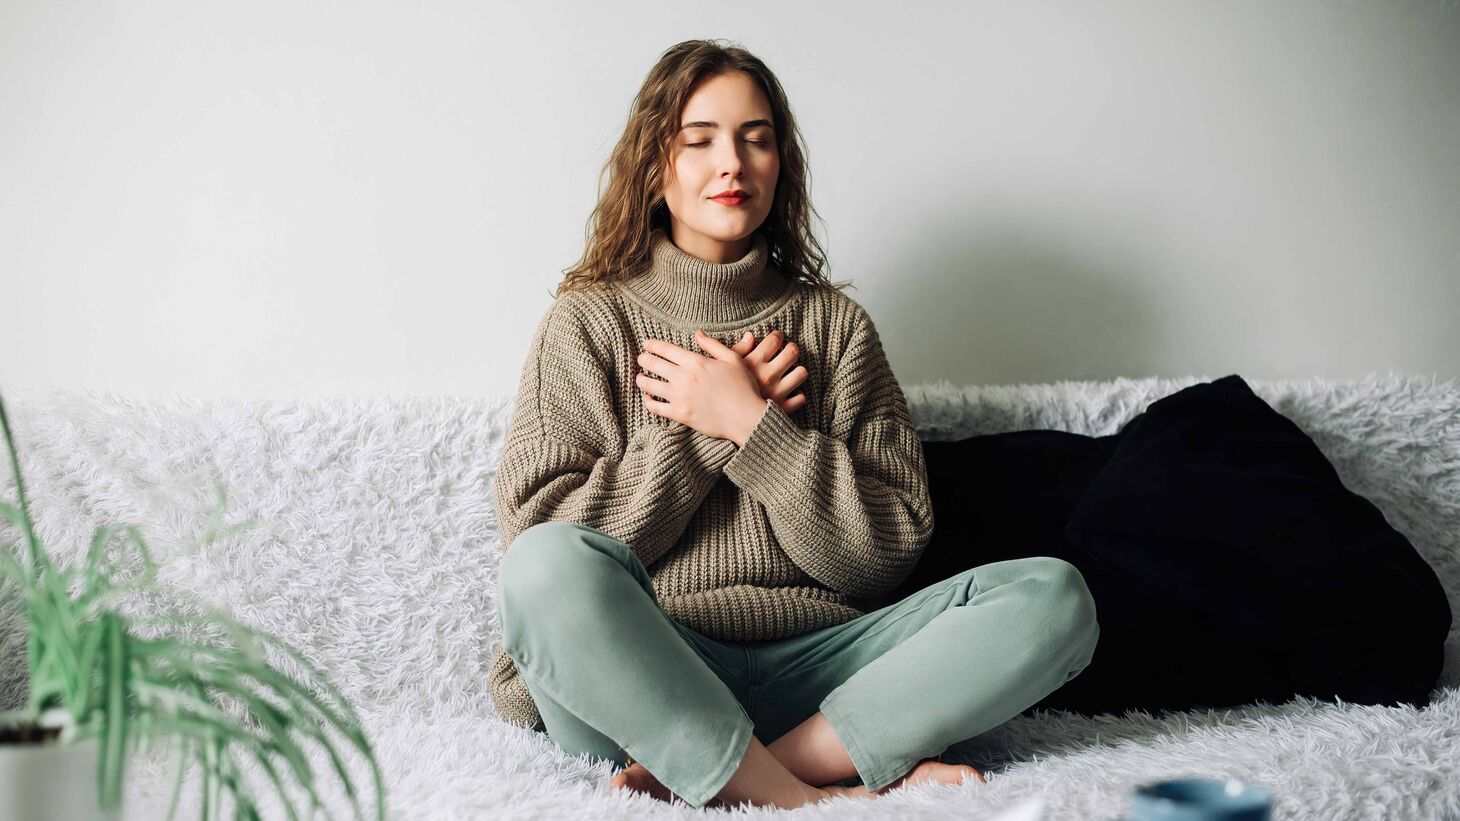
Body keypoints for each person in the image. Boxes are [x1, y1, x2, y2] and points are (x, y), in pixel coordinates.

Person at [488, 38, 1100, 810]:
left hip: (830, 675)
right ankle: (809, 792)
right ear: (654, 164)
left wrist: (757, 426)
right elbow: (542, 538)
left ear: (782, 163)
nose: (733, 163)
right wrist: (700, 432)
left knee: (1056, 598)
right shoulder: (587, 323)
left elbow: (881, 555)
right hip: (651, 678)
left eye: (757, 137)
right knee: (540, 566)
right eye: (699, 138)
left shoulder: (836, 328)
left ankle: (755, 772)